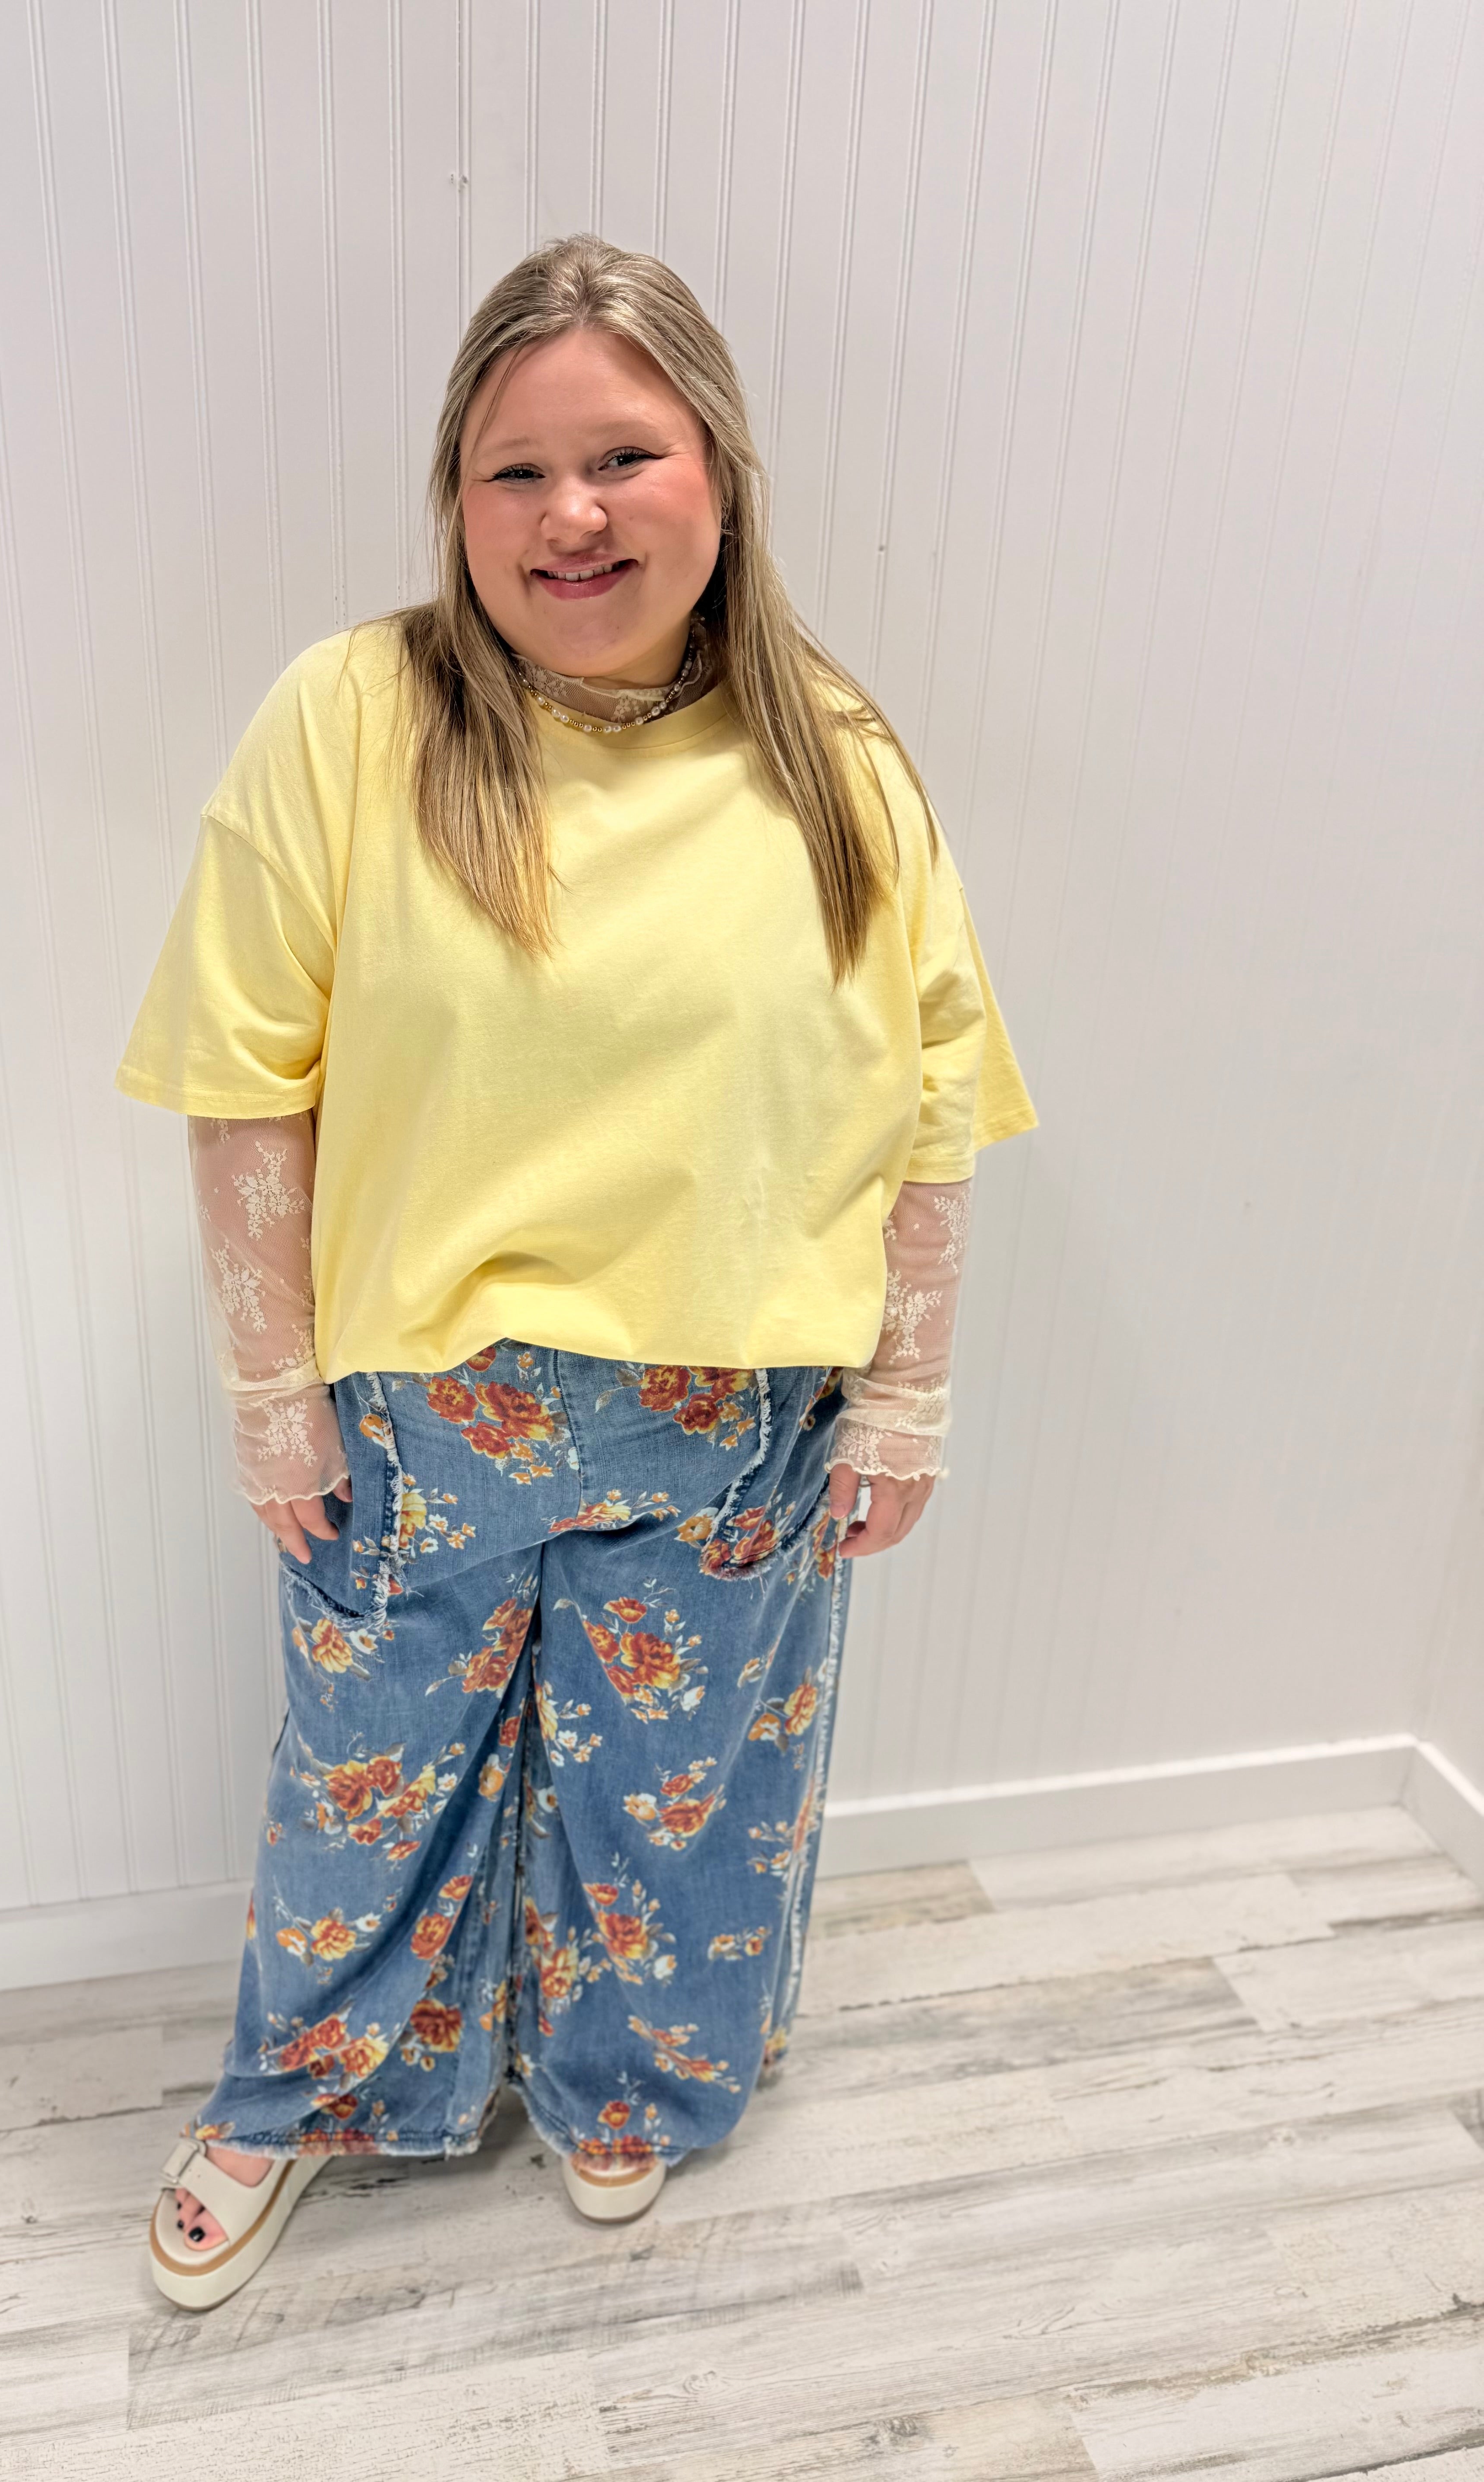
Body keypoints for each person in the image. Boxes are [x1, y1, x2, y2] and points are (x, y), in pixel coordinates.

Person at [114, 233, 1034, 2310]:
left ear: (721, 468)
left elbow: (934, 1100)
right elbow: (246, 1079)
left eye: (623, 455)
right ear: (455, 498)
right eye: (514, 470)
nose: (573, 515)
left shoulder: (837, 759)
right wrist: (269, 1396)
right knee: (366, 1790)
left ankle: (626, 2078)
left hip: (736, 1417)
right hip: (419, 1413)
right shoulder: (354, 717)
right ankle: (305, 2094)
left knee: (677, 1797)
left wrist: (908, 1395)